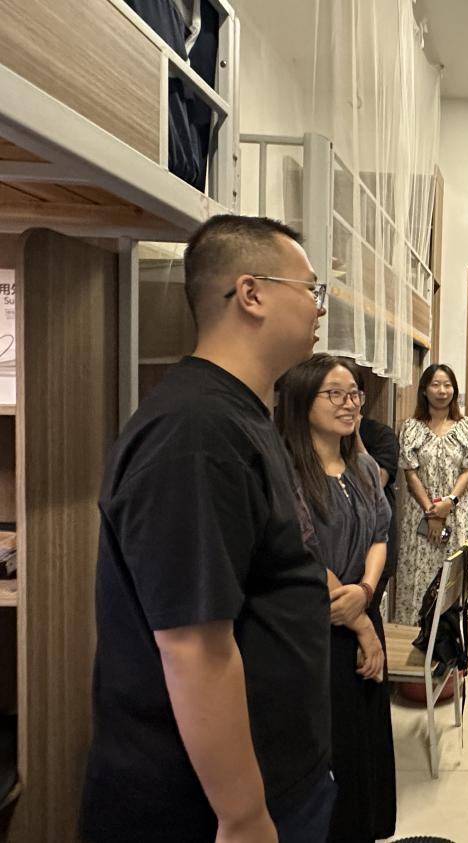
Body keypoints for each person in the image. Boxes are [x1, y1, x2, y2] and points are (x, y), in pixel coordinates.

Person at [81, 216, 333, 843]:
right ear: (252, 294)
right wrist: (243, 815)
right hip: (206, 806)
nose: (320, 307)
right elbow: (194, 645)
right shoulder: (195, 433)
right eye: (310, 288)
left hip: (278, 776)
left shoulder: (241, 414)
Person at [276, 353, 397, 842]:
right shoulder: (286, 469)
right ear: (303, 401)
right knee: (331, 747)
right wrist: (359, 622)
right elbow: (301, 547)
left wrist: (365, 593)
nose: (350, 405)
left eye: (354, 395)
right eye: (335, 394)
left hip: (360, 608)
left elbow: (380, 533)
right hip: (318, 625)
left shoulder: (362, 466)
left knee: (364, 744)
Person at [396, 364, 468, 622]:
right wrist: (432, 511)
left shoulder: (467, 426)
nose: (442, 391)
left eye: (447, 385)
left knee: (452, 578)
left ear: (454, 390)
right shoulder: (411, 427)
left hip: (456, 516)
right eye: (435, 385)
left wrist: (449, 502)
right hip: (420, 515)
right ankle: (417, 634)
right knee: (419, 576)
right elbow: (410, 473)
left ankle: (451, 639)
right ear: (424, 390)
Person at [359, 415, 401, 605]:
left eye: (353, 399)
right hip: (337, 557)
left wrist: (354, 436)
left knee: (368, 609)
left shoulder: (381, 434)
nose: (348, 404)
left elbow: (376, 481)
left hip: (376, 546)